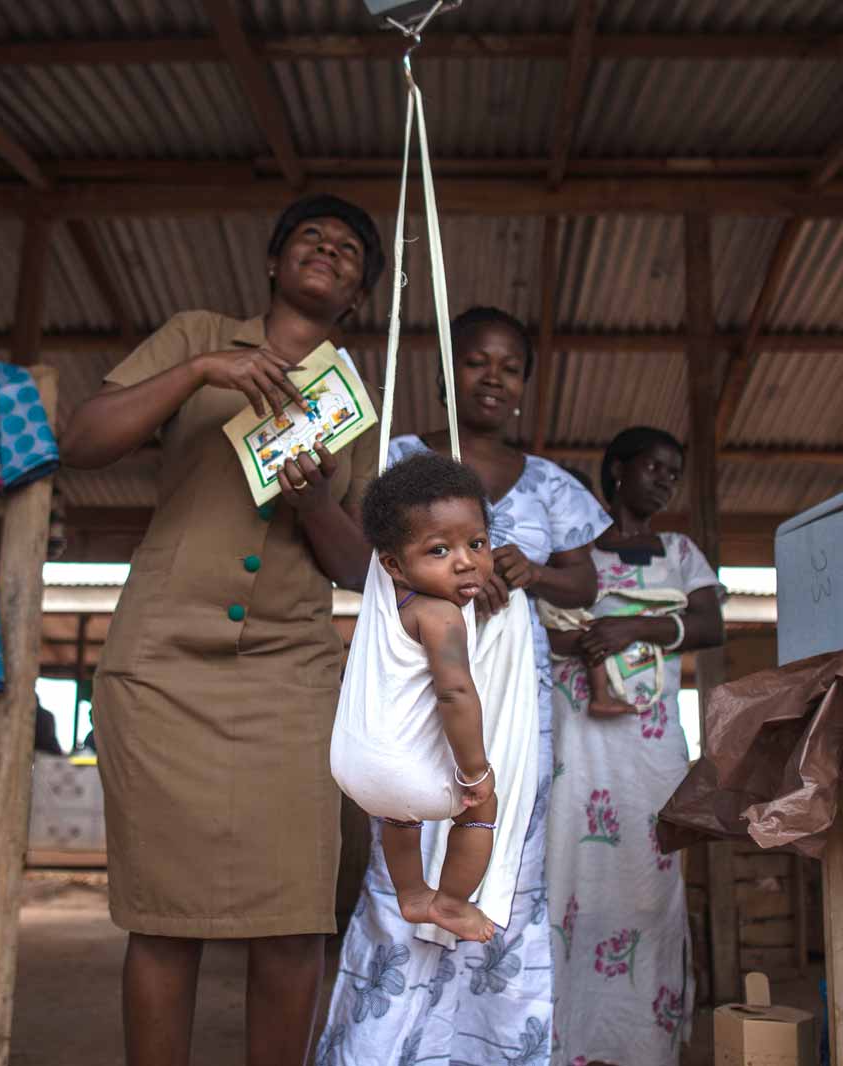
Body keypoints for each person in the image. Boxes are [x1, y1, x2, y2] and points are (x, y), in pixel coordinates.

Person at [57, 194, 384, 1066]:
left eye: (350, 249)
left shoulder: (356, 401)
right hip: (163, 663)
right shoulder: (197, 333)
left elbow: (360, 569)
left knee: (293, 922)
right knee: (165, 922)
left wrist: (316, 499)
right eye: (311, 237)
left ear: (355, 297)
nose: (328, 249)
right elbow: (82, 440)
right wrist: (199, 372)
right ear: (275, 263)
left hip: (290, 675)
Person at [320, 306, 609, 1064]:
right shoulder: (401, 457)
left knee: (503, 856)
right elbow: (361, 561)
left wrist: (535, 570)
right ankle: (386, 1047)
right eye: (478, 361)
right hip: (419, 697)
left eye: (510, 366)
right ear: (452, 374)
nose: (493, 376)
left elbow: (587, 580)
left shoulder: (549, 483)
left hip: (514, 704)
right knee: (404, 858)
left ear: (524, 385)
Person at [545, 426, 725, 1066]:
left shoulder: (680, 551)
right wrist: (587, 640)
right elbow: (542, 625)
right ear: (617, 469)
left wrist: (634, 627)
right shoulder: (572, 549)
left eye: (675, 472)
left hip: (648, 748)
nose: (666, 479)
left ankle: (640, 1044)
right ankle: (566, 1040)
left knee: (649, 879)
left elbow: (710, 624)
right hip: (578, 738)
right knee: (567, 872)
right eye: (655, 466)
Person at [332, 453, 499, 944]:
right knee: (481, 809)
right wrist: (476, 773)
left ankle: (410, 893)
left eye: (477, 543)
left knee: (398, 818)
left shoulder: (386, 602)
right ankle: (449, 901)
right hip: (408, 776)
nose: (467, 560)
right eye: (439, 551)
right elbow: (455, 692)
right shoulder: (440, 615)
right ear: (394, 565)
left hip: (357, 771)